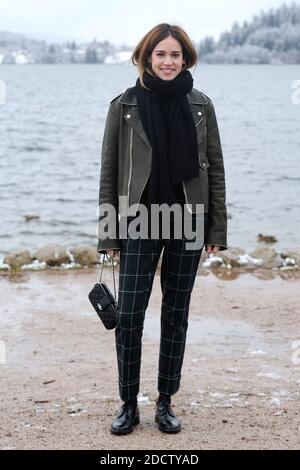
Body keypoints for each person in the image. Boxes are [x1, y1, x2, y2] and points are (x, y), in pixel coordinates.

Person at [97, 23, 227, 435]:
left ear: (185, 58)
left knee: (176, 315)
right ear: (146, 58)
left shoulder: (202, 105)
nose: (168, 62)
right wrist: (108, 234)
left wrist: (215, 231)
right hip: (138, 221)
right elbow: (109, 173)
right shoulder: (125, 105)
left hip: (188, 220)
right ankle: (127, 404)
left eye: (175, 55)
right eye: (160, 55)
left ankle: (166, 402)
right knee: (130, 316)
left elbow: (216, 169)